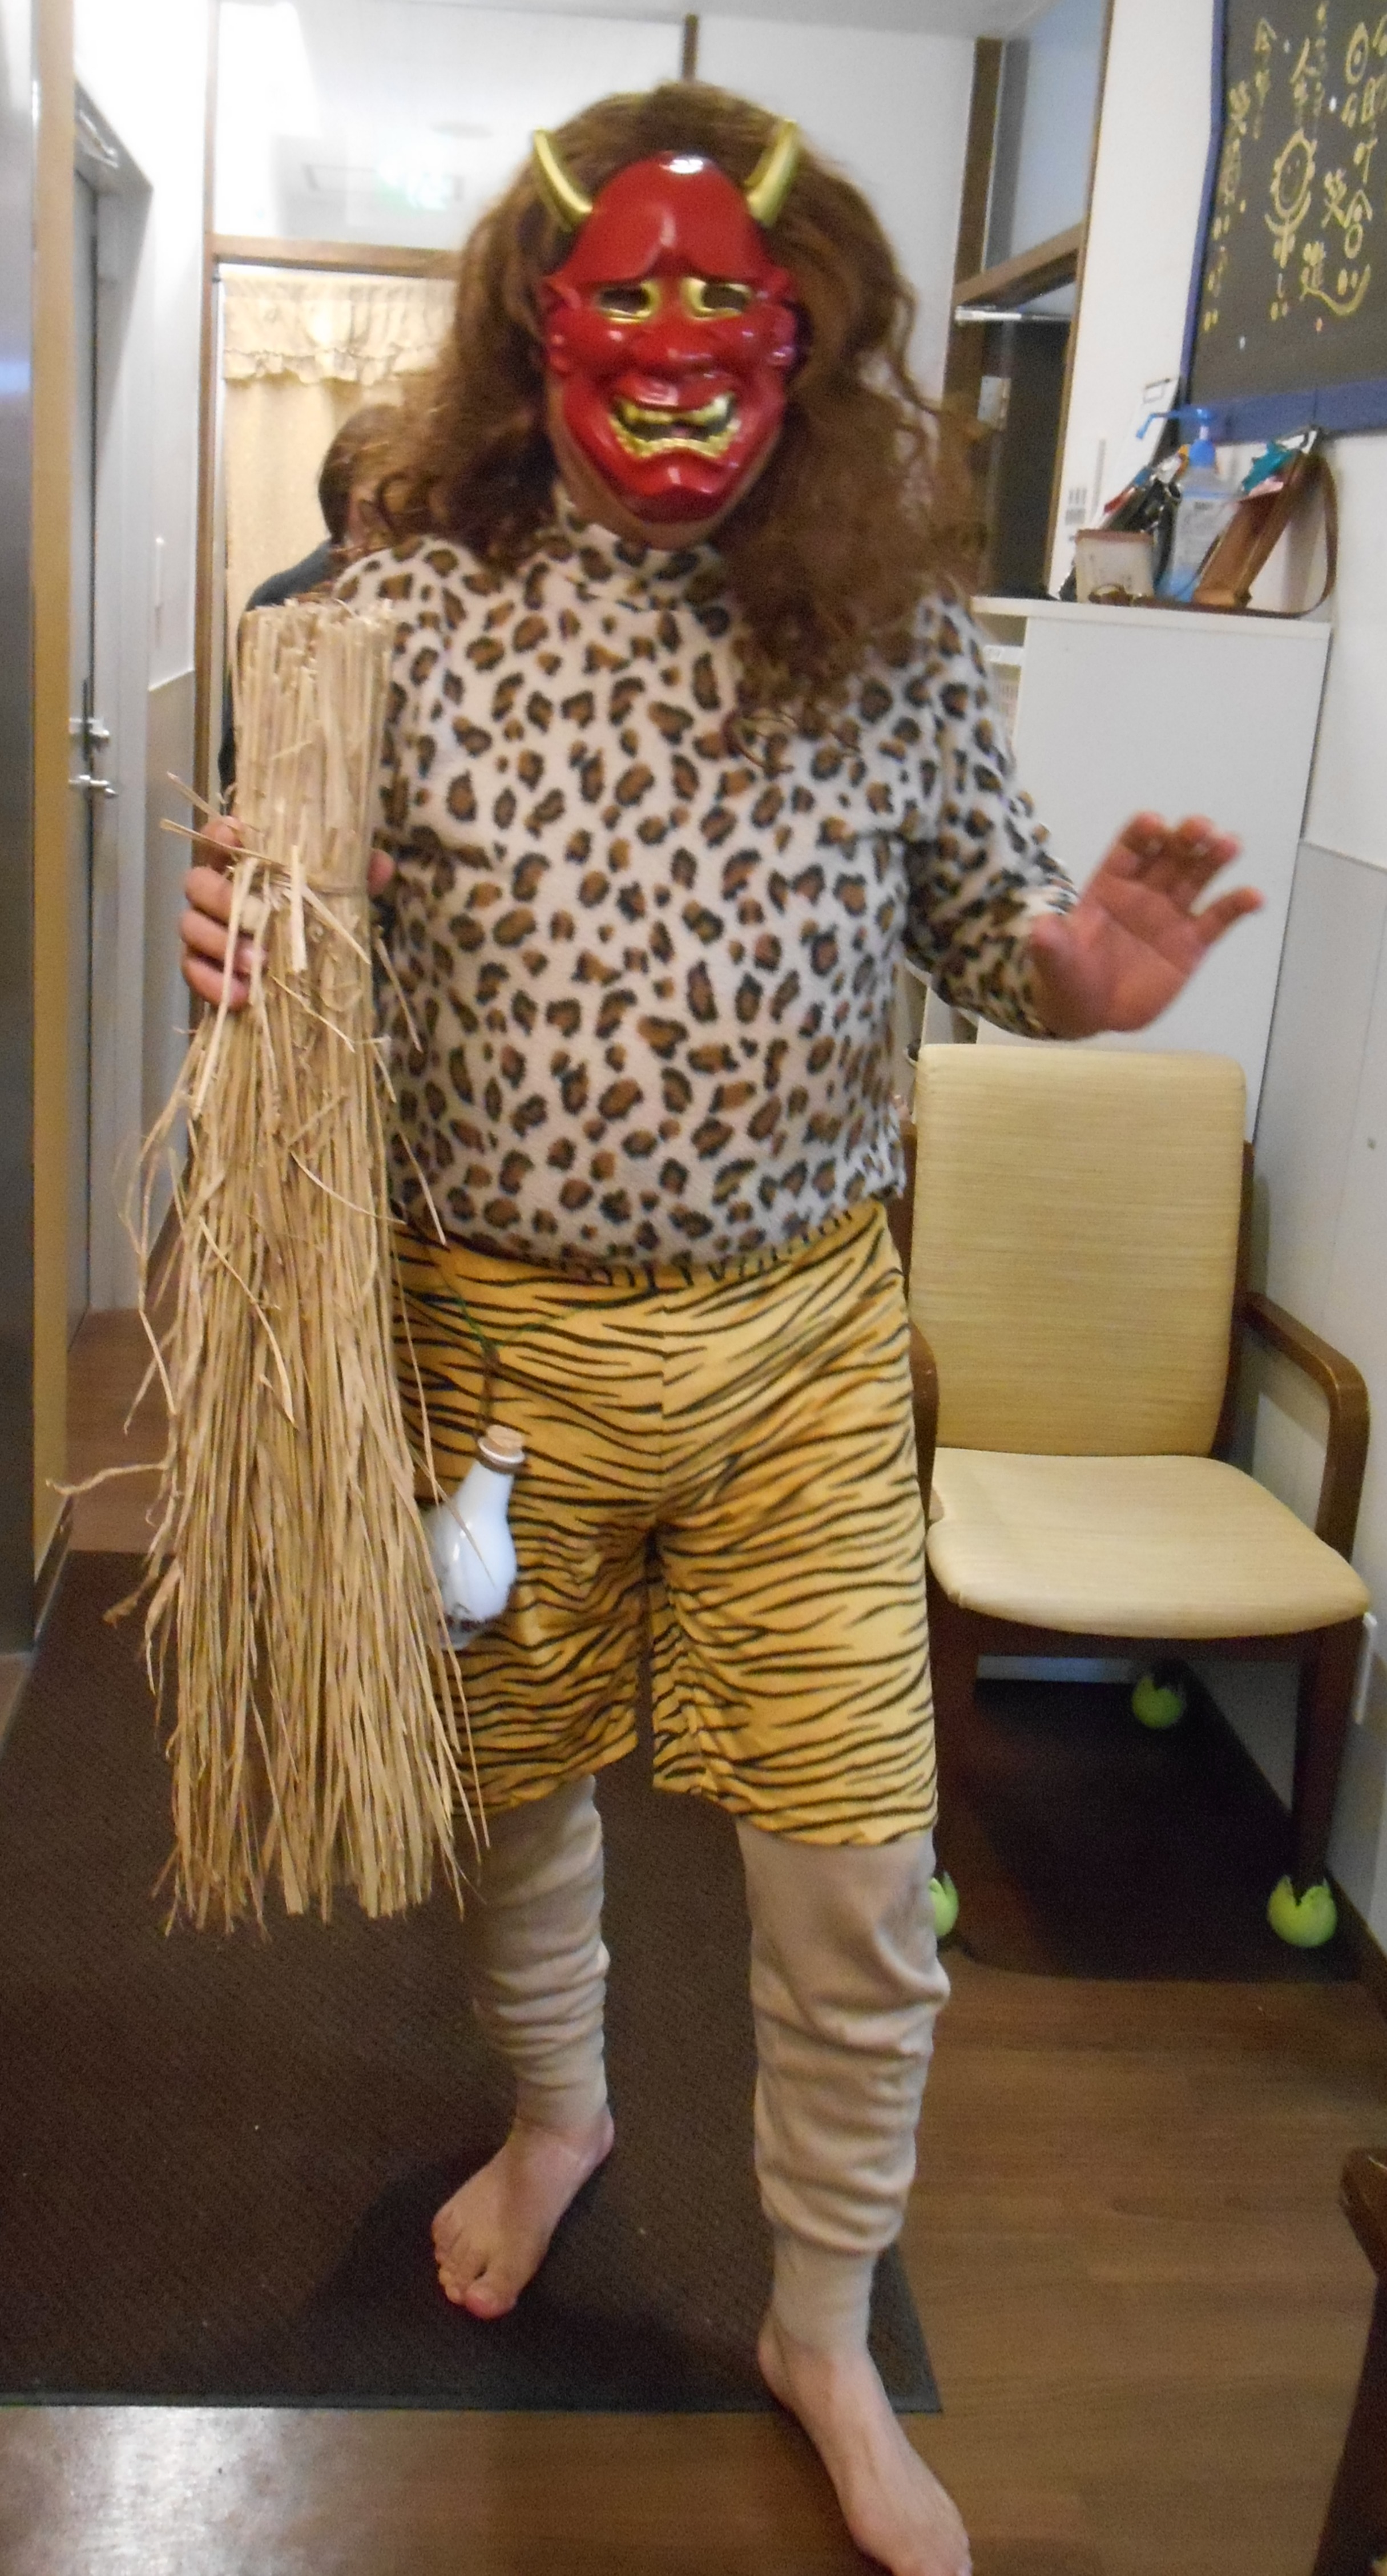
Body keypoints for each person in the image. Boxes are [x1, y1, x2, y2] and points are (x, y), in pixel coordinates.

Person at [181, 84, 1259, 2576]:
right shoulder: (388, 614)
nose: (674, 368)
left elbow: (997, 936)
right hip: (493, 1369)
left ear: (811, 338)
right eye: (625, 317)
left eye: (728, 324)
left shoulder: (884, 625)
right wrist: (240, 932)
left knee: (856, 1876)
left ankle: (821, 2320)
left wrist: (1081, 977)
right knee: (512, 1799)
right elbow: (290, 931)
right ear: (530, 327)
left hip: (796, 1360)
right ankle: (557, 2112)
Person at [218, 402, 398, 791]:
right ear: (340, 504)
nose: (386, 529)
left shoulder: (431, 606)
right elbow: (238, 762)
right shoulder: (277, 604)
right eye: (371, 511)